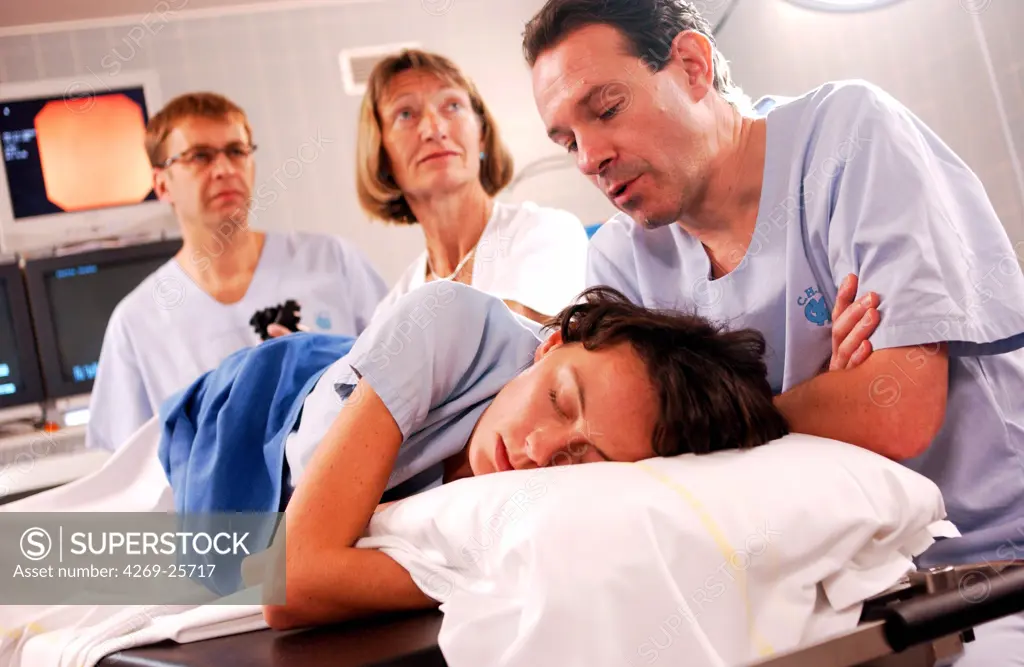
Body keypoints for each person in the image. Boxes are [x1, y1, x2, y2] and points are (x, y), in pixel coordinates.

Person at [521, 1, 1024, 663]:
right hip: (817, 600)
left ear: (694, 67)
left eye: (607, 109)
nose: (589, 159)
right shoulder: (622, 263)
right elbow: (639, 478)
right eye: (565, 140)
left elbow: (896, 410)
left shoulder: (848, 138)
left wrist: (703, 429)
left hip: (989, 567)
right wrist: (826, 392)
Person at [231, 280, 789, 629]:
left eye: (584, 457)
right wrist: (493, 576)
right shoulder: (445, 321)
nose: (536, 449)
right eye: (558, 400)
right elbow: (292, 584)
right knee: (150, 558)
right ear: (551, 345)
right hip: (261, 402)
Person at [86, 92, 389, 453]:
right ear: (162, 183)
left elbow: (401, 376)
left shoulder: (330, 261)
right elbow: (122, 467)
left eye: (236, 151)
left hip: (358, 483)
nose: (225, 169)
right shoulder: (138, 322)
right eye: (200, 156)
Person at [356, 48, 589, 323]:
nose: (435, 129)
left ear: (481, 135)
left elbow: (515, 341)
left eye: (452, 106)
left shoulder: (547, 231)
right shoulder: (391, 309)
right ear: (381, 155)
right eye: (406, 114)